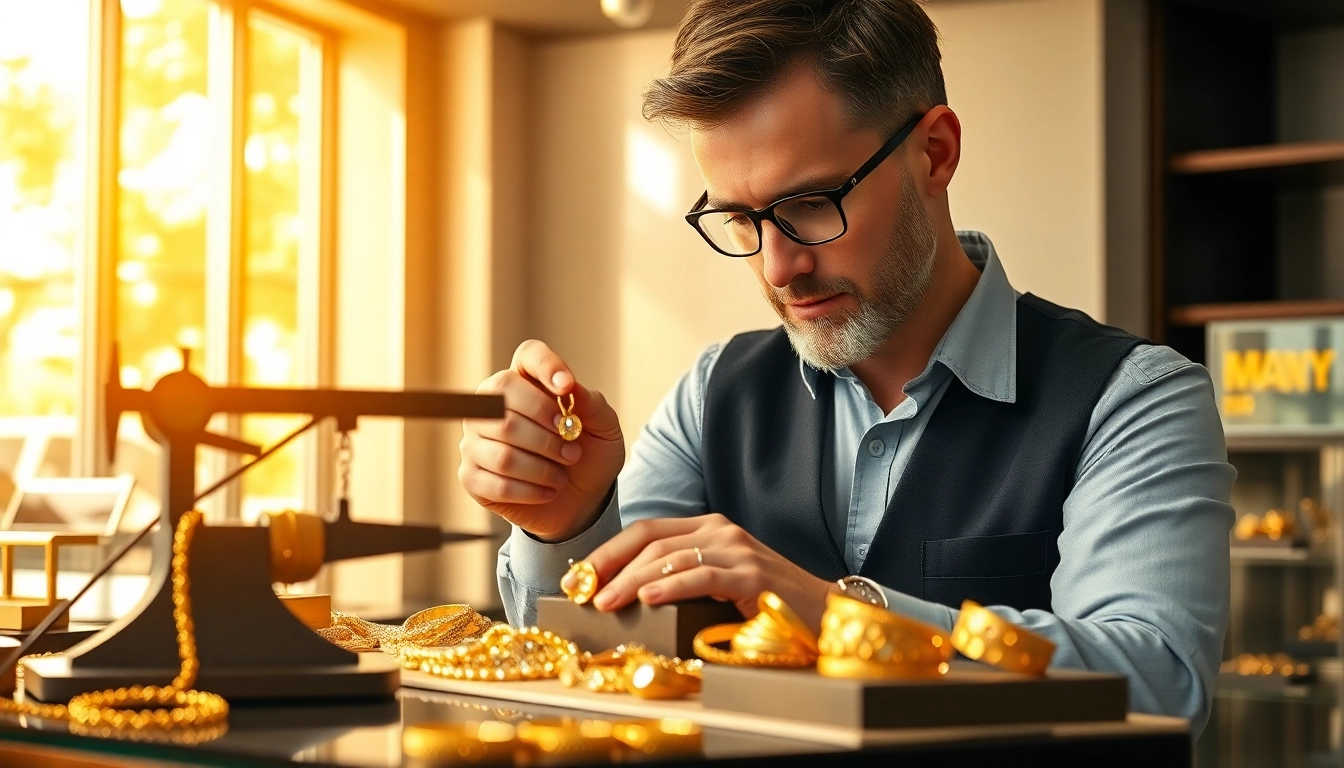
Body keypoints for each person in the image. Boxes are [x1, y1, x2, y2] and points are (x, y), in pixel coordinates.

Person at [458, 0, 1234, 735]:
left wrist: (829, 611)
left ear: (935, 153)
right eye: (738, 218)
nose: (777, 265)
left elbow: (1164, 685)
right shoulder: (711, 392)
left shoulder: (1133, 400)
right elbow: (601, 668)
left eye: (808, 205)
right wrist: (564, 520)